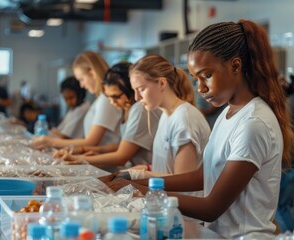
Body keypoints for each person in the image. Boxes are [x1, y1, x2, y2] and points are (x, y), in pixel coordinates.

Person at [105, 19, 293, 239]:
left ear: (235, 65)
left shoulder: (254, 123)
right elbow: (203, 176)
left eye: (207, 76)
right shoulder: (229, 113)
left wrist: (141, 192)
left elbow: (211, 207)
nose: (201, 88)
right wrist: (136, 181)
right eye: (196, 79)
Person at [127, 55, 211, 194]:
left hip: (185, 210)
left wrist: (142, 177)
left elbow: (183, 181)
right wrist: (147, 169)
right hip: (166, 200)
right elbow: (170, 167)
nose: (137, 98)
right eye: (134, 91)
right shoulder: (166, 114)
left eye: (141, 89)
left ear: (161, 83)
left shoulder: (184, 120)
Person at [57, 62, 161, 172]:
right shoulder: (125, 109)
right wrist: (87, 151)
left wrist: (80, 158)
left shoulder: (140, 110)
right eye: (108, 97)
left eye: (116, 96)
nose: (112, 102)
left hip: (150, 176)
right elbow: (121, 146)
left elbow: (121, 156)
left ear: (130, 89)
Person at [32, 51, 122, 150]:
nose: (81, 85)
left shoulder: (106, 100)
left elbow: (91, 141)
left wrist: (49, 141)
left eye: (81, 79)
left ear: (92, 74)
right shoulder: (101, 100)